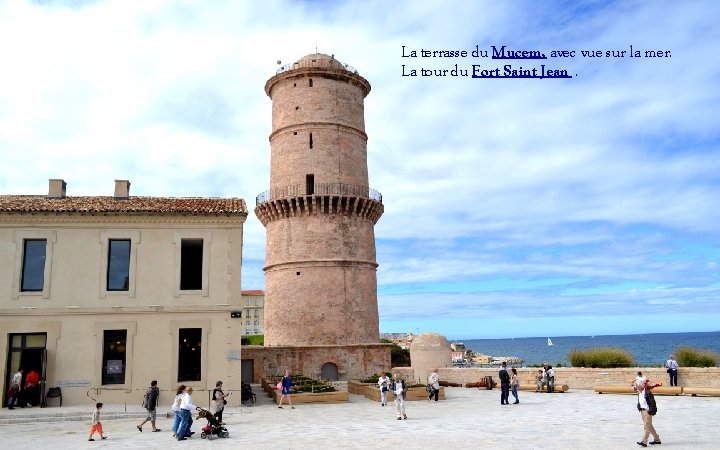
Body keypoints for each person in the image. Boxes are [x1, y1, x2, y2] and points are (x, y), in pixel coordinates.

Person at [635, 379, 661, 447]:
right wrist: (639, 407)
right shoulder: (639, 393)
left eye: (637, 385)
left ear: (641, 386)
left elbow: (653, 403)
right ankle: (657, 439)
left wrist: (651, 411)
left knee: (646, 426)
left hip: (647, 412)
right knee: (649, 426)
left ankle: (644, 441)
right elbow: (640, 402)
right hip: (642, 411)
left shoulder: (647, 393)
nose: (635, 386)